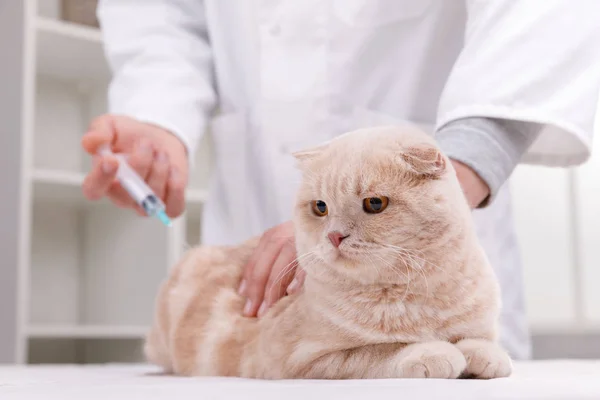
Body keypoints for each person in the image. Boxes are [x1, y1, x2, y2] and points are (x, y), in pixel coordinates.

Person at [82, 1, 600, 361]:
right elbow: (160, 13)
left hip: (440, 261)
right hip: (251, 273)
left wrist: (465, 160)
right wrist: (157, 114)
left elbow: (540, 20)